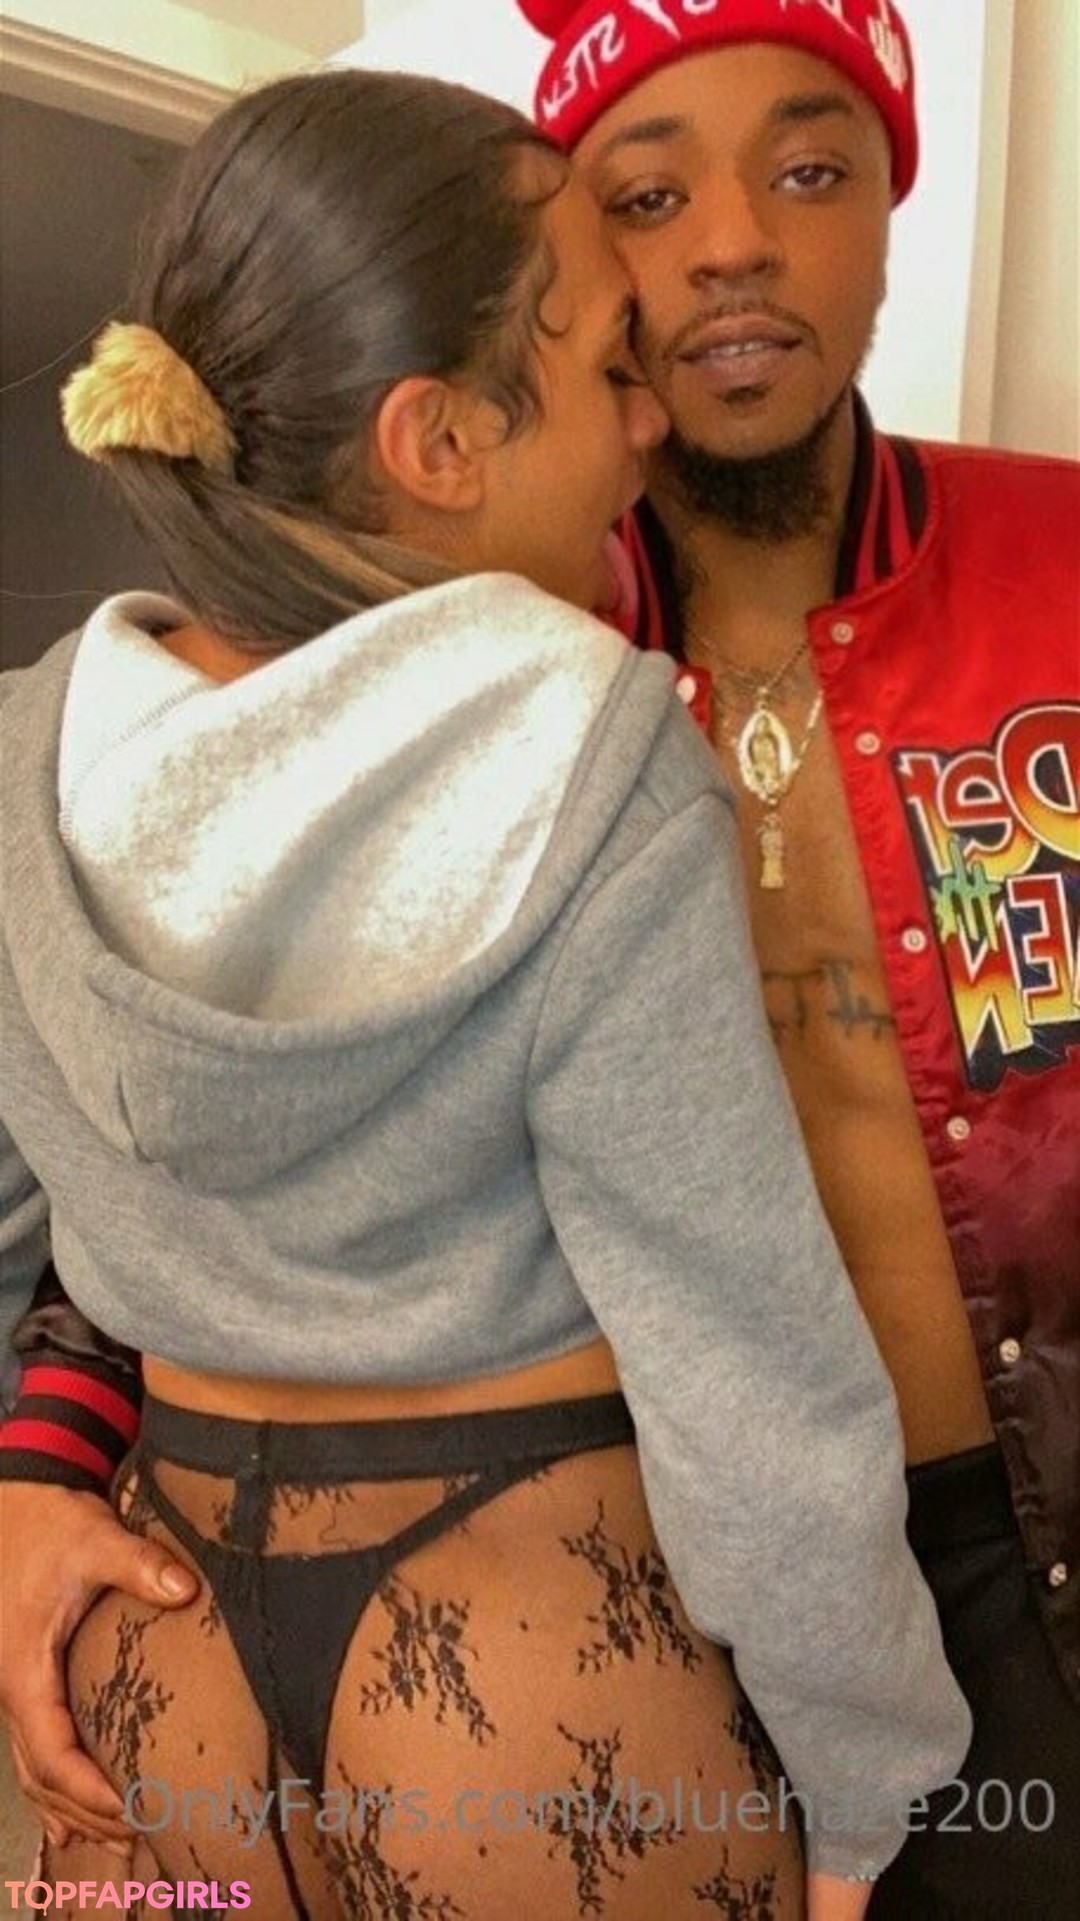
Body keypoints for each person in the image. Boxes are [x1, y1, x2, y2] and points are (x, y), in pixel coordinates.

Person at [0, 65, 969, 1921]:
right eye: (606, 366)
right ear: (439, 440)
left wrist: (24, 1479)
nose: (644, 422)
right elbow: (741, 1350)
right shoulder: (589, 745)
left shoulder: (26, 751)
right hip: (529, 1668)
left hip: (158, 1673)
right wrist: (868, 1778)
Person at [514, 2, 1080, 1917]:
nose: (737, 241)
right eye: (648, 195)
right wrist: (44, 1465)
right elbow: (231, 1089)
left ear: (888, 214)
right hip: (642, 1593)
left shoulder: (1065, 567)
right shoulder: (488, 662)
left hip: (1035, 1556)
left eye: (810, 169)